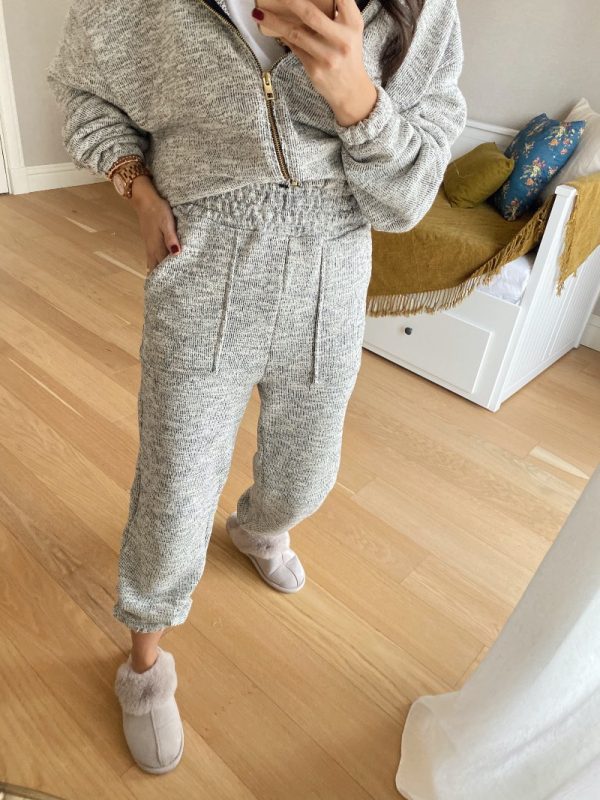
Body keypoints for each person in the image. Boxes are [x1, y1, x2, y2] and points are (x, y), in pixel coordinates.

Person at [46, 0, 467, 774]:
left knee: (307, 472)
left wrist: (355, 96)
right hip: (201, 268)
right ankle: (144, 665)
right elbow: (85, 93)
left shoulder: (423, 11)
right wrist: (138, 189)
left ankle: (259, 529)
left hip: (333, 277)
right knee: (176, 485)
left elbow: (405, 203)